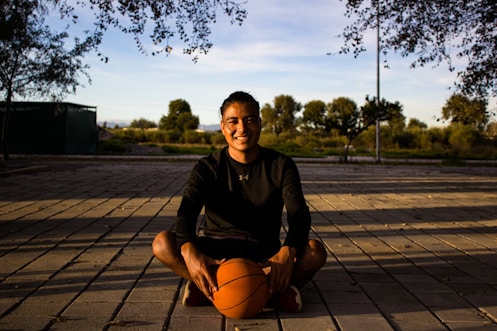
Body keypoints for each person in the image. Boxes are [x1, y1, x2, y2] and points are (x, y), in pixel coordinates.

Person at [152, 91, 327, 313]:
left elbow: (299, 215)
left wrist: (288, 250)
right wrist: (188, 248)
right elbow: (186, 212)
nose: (242, 128)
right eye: (233, 121)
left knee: (315, 252)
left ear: (260, 123)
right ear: (223, 126)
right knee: (162, 243)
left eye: (250, 120)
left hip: (264, 254)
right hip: (216, 253)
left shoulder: (281, 165)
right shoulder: (207, 167)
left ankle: (242, 290)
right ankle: (212, 284)